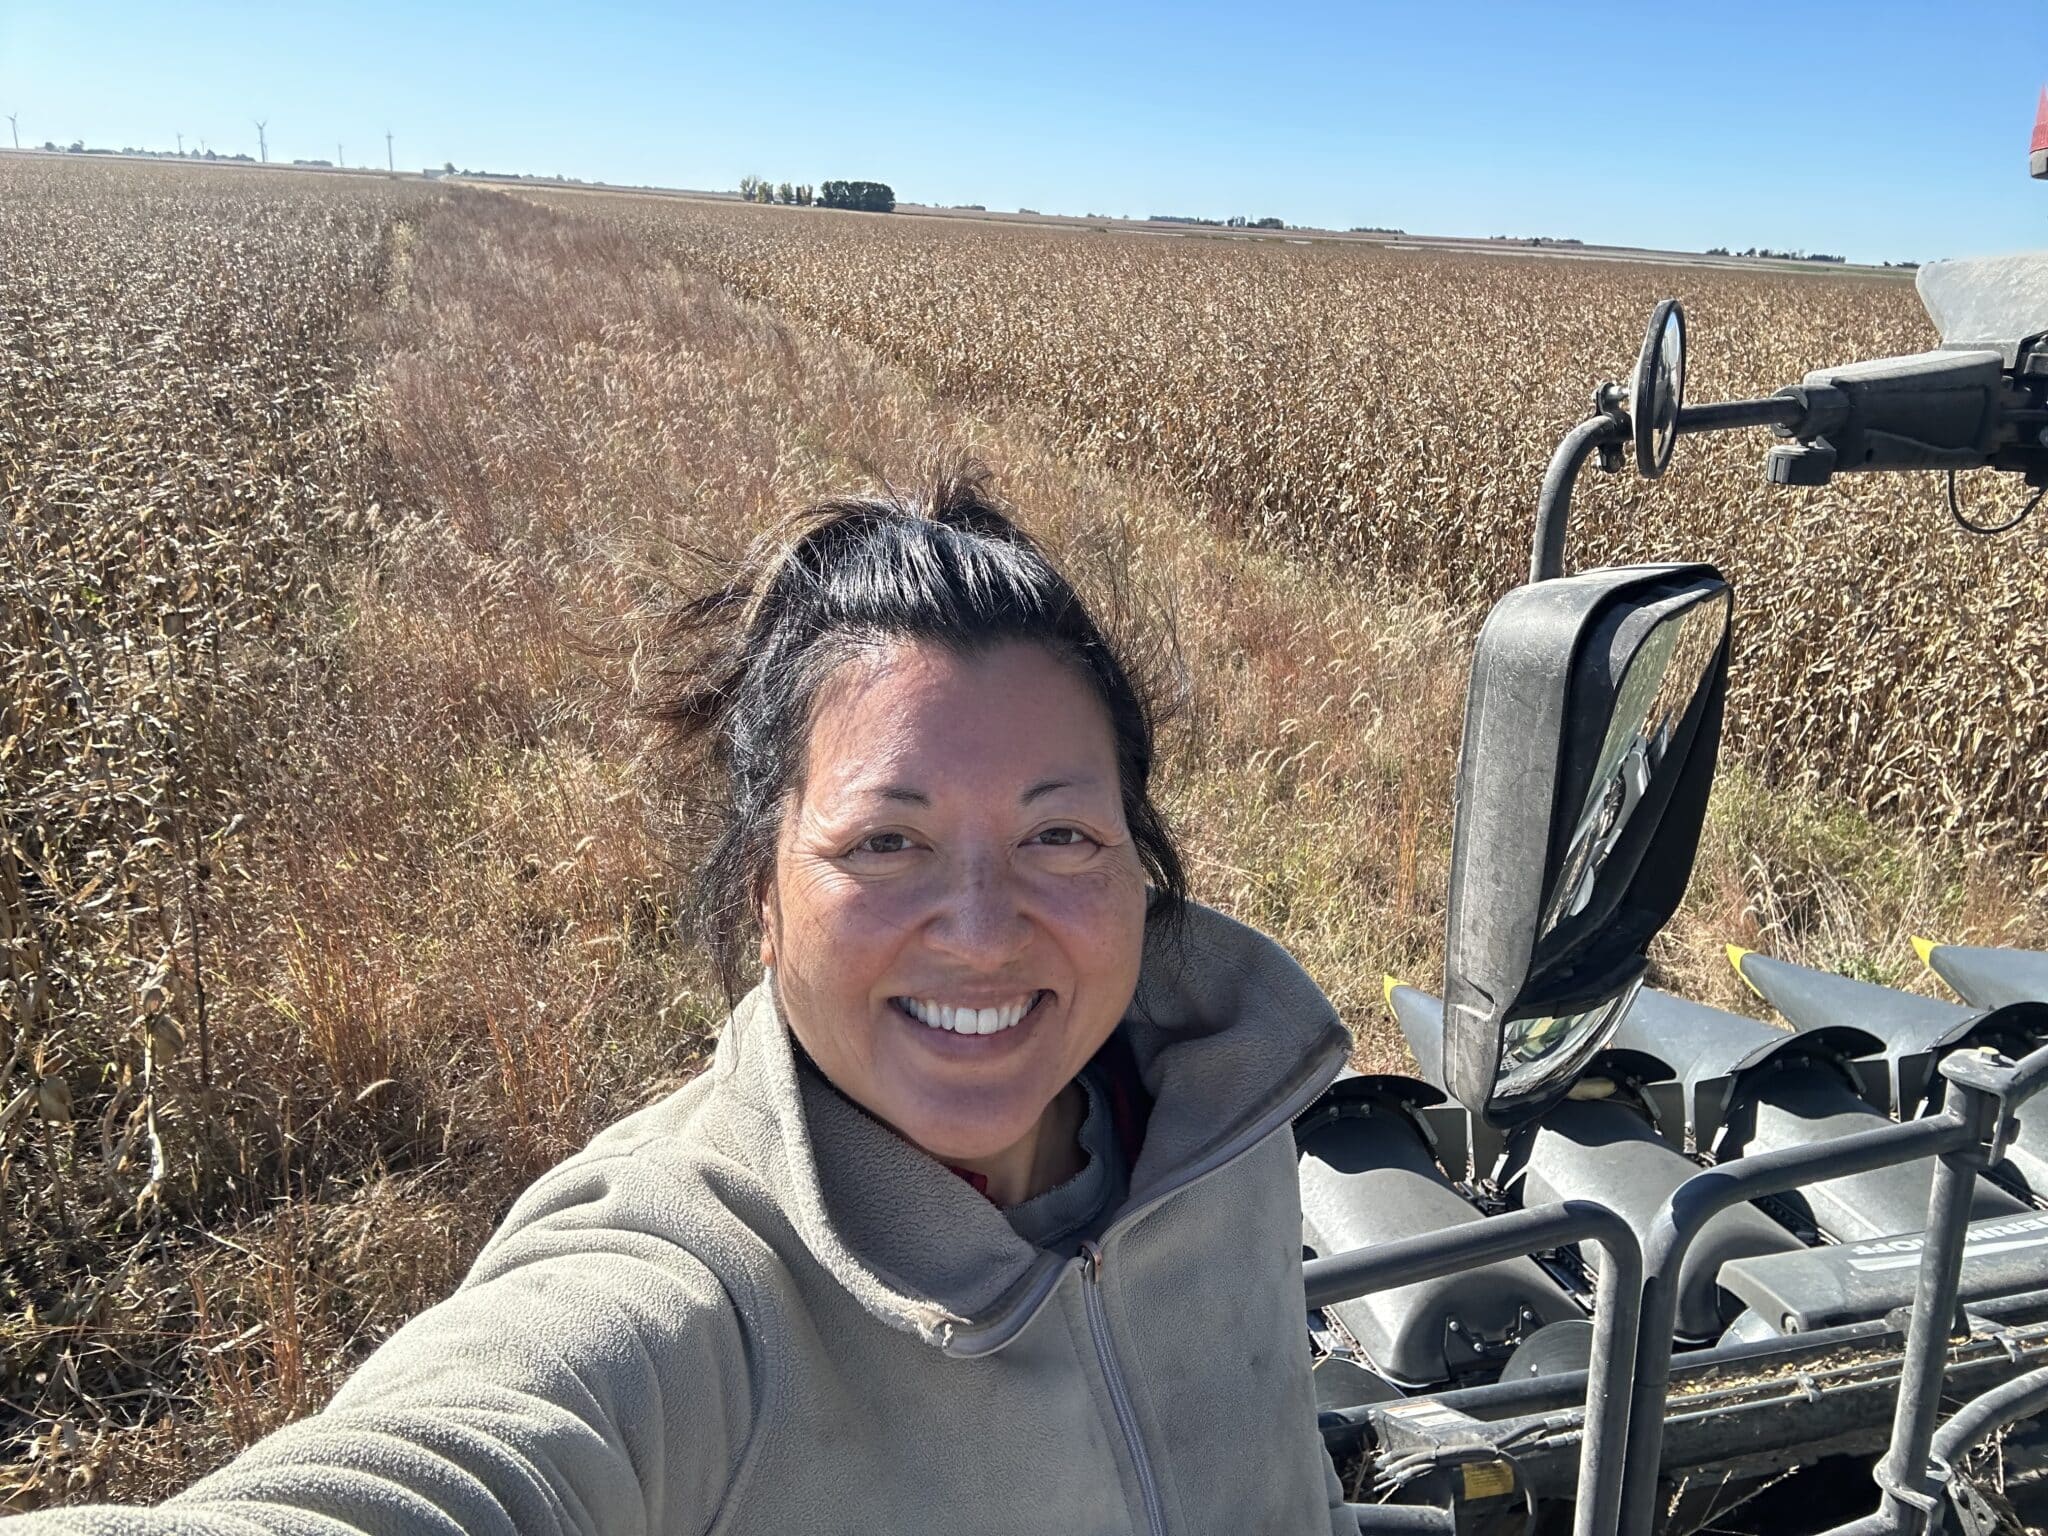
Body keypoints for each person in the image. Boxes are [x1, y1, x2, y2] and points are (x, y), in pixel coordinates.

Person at [17, 467, 1361, 1534]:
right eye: (882, 842)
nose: (980, 929)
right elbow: (451, 1463)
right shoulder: (692, 1296)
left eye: (1060, 836)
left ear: (1142, 869)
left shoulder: (1223, 1120)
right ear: (762, 895)